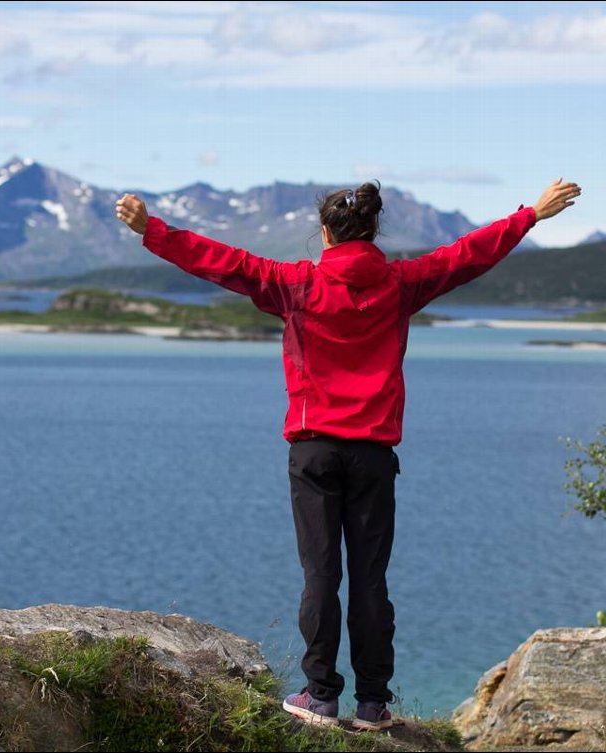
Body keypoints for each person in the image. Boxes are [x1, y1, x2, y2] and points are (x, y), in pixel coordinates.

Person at [115, 177, 581, 730]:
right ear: (373, 229)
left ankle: (320, 695)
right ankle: (373, 703)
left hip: (313, 452)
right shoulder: (402, 283)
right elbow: (467, 256)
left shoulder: (296, 283)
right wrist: (530, 214)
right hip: (373, 457)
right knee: (369, 579)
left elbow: (222, 262)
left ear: (325, 233)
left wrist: (153, 230)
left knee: (320, 576)